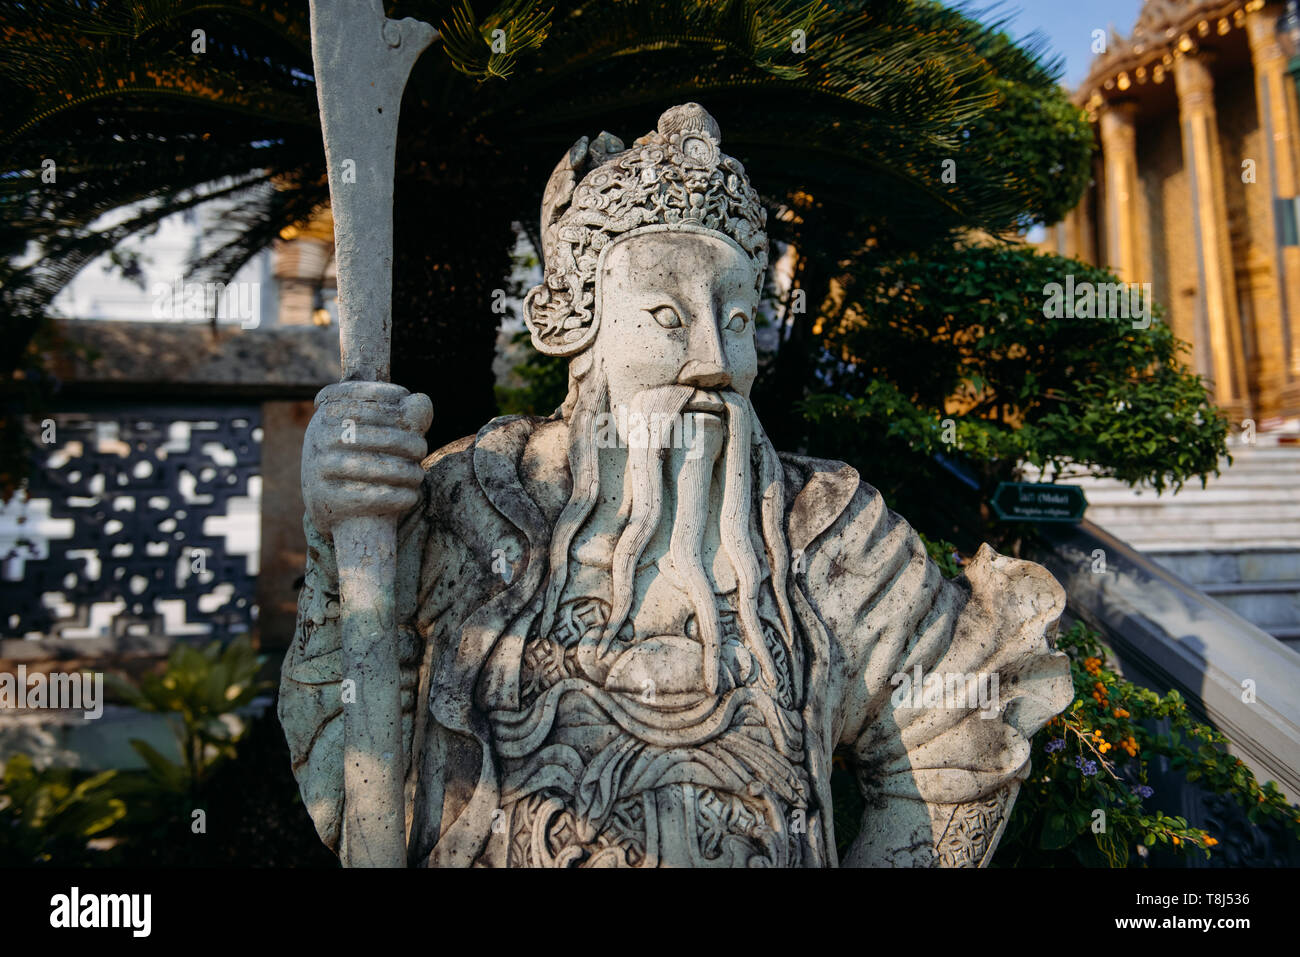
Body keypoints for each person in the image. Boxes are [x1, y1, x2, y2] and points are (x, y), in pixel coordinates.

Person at [280, 103, 1073, 868]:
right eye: (667, 317)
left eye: (734, 323)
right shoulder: (468, 503)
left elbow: (957, 736)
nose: (714, 363)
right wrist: (340, 548)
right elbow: (352, 792)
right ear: (576, 323)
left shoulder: (830, 532)